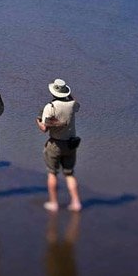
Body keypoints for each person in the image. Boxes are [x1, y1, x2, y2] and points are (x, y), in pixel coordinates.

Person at [38, 78, 83, 212]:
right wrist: (69, 95)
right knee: (69, 174)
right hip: (70, 144)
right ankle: (76, 202)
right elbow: (77, 105)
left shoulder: (50, 107)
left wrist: (38, 121)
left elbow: (44, 128)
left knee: (52, 173)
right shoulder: (72, 105)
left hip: (55, 144)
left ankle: (54, 203)